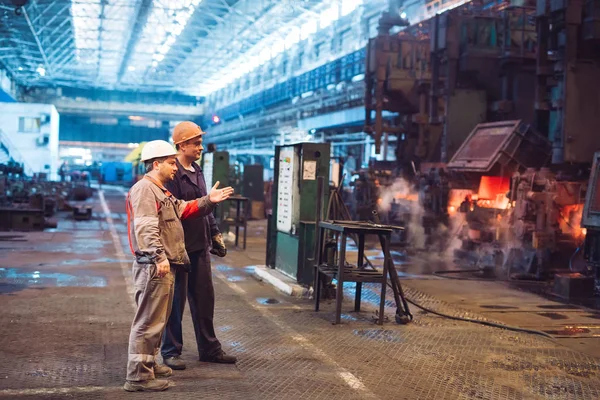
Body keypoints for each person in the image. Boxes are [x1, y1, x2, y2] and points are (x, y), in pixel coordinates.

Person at [124, 140, 234, 392]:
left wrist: (209, 200)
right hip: (154, 266)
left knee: (158, 321)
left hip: (166, 264)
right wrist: (159, 257)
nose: (175, 168)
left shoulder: (161, 190)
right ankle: (138, 377)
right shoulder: (144, 190)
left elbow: (184, 209)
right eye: (171, 163)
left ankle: (149, 364)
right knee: (147, 322)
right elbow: (145, 227)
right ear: (156, 164)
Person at [161, 121, 236, 371]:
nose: (200, 148)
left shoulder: (196, 170)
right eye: (196, 143)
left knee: (205, 300)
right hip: (179, 248)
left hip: (200, 245)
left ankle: (210, 349)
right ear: (181, 145)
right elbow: (174, 211)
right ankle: (171, 352)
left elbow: (206, 206)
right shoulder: (172, 174)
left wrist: (214, 233)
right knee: (175, 304)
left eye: (200, 143)